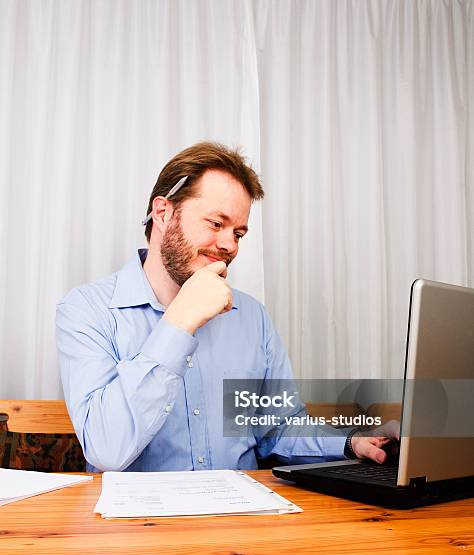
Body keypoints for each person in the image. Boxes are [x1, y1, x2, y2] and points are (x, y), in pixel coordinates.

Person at [56, 142, 397, 473]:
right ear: (163, 213)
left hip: (243, 525)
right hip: (139, 527)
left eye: (239, 233)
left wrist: (352, 442)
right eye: (216, 224)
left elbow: (277, 428)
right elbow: (106, 448)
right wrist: (180, 321)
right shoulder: (87, 311)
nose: (228, 245)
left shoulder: (252, 318)